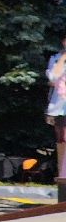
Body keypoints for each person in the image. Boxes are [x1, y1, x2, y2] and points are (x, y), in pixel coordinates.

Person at [47, 39, 66, 198]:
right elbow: (53, 77)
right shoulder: (56, 58)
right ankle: (63, 184)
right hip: (61, 108)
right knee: (62, 142)